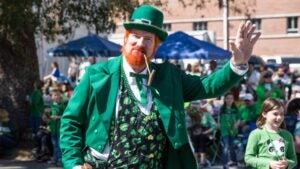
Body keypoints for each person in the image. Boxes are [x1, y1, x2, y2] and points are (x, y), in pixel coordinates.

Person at [60, 4, 260, 169]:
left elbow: (208, 86)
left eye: (148, 39)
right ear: (125, 39)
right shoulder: (97, 74)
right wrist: (75, 164)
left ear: (155, 47)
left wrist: (237, 64)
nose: (140, 43)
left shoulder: (169, 76)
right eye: (136, 36)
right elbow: (71, 122)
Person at [245, 98, 297, 169]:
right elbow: (248, 158)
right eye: (275, 114)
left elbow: (293, 159)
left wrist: (287, 163)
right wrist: (268, 164)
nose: (279, 117)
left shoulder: (288, 135)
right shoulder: (256, 134)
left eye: (282, 114)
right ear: (264, 114)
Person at [219, 92, 240, 168]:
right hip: (224, 130)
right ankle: (224, 164)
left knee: (232, 147)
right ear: (225, 99)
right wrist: (219, 127)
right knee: (226, 146)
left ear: (233, 99)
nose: (229, 100)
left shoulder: (235, 109)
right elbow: (219, 120)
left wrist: (236, 125)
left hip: (233, 130)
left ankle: (234, 162)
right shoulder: (222, 109)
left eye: (231, 98)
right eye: (228, 98)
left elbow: (238, 119)